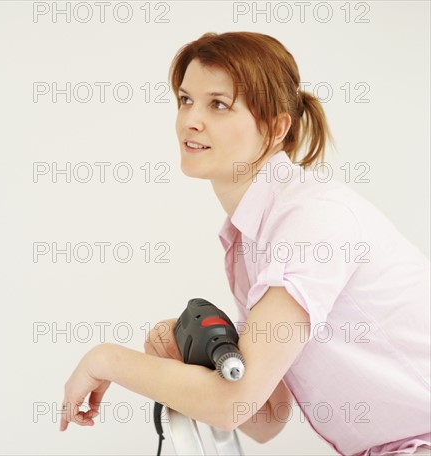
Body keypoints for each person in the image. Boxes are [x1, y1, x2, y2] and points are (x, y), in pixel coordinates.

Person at [59, 32, 431, 456]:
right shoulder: (250, 237)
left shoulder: (311, 221)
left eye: (218, 104)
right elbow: (267, 417)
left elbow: (234, 404)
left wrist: (106, 360)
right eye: (185, 99)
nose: (190, 120)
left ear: (275, 127)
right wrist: (188, 359)